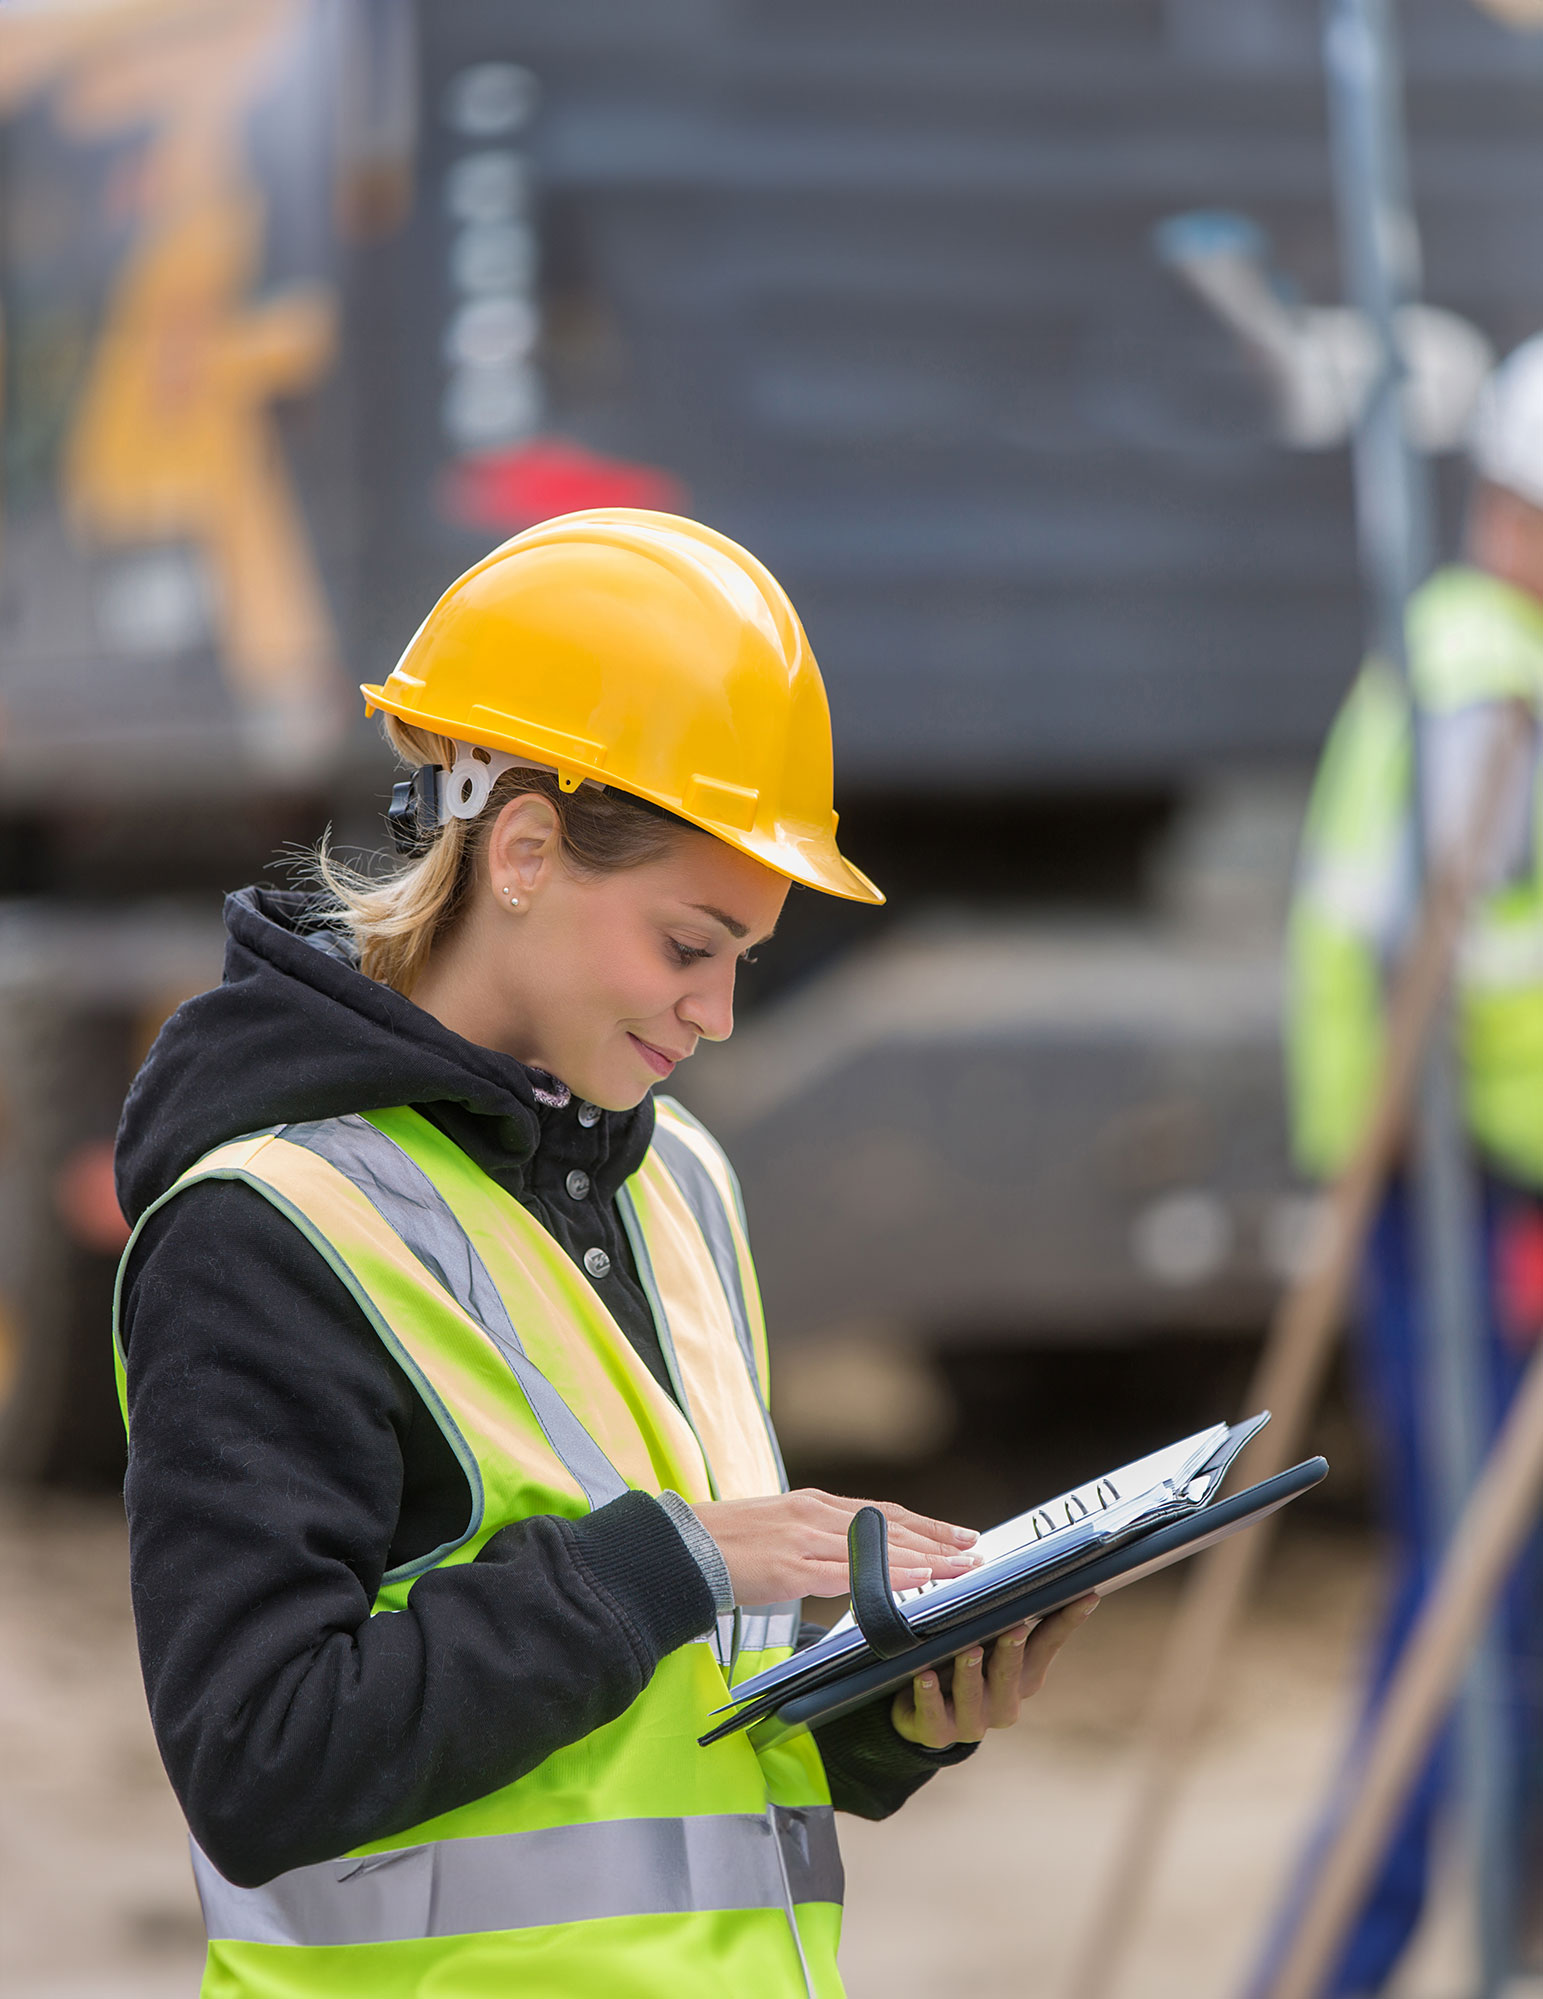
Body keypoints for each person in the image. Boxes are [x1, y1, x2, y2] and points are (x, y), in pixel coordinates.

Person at [114, 509, 1097, 1999]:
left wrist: (892, 1716)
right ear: (520, 851)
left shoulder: (679, 1184)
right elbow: (265, 1758)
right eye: (686, 946)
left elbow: (652, 1732)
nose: (714, 1013)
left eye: (742, 964)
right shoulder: (264, 1232)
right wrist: (683, 1557)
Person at [1272, 337, 1543, 1995]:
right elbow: (1430, 967)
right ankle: (1338, 1967)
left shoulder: (1484, 652)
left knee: (1502, 1618)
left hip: (1482, 1185)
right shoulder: (1486, 682)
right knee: (1470, 1627)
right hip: (1463, 1200)